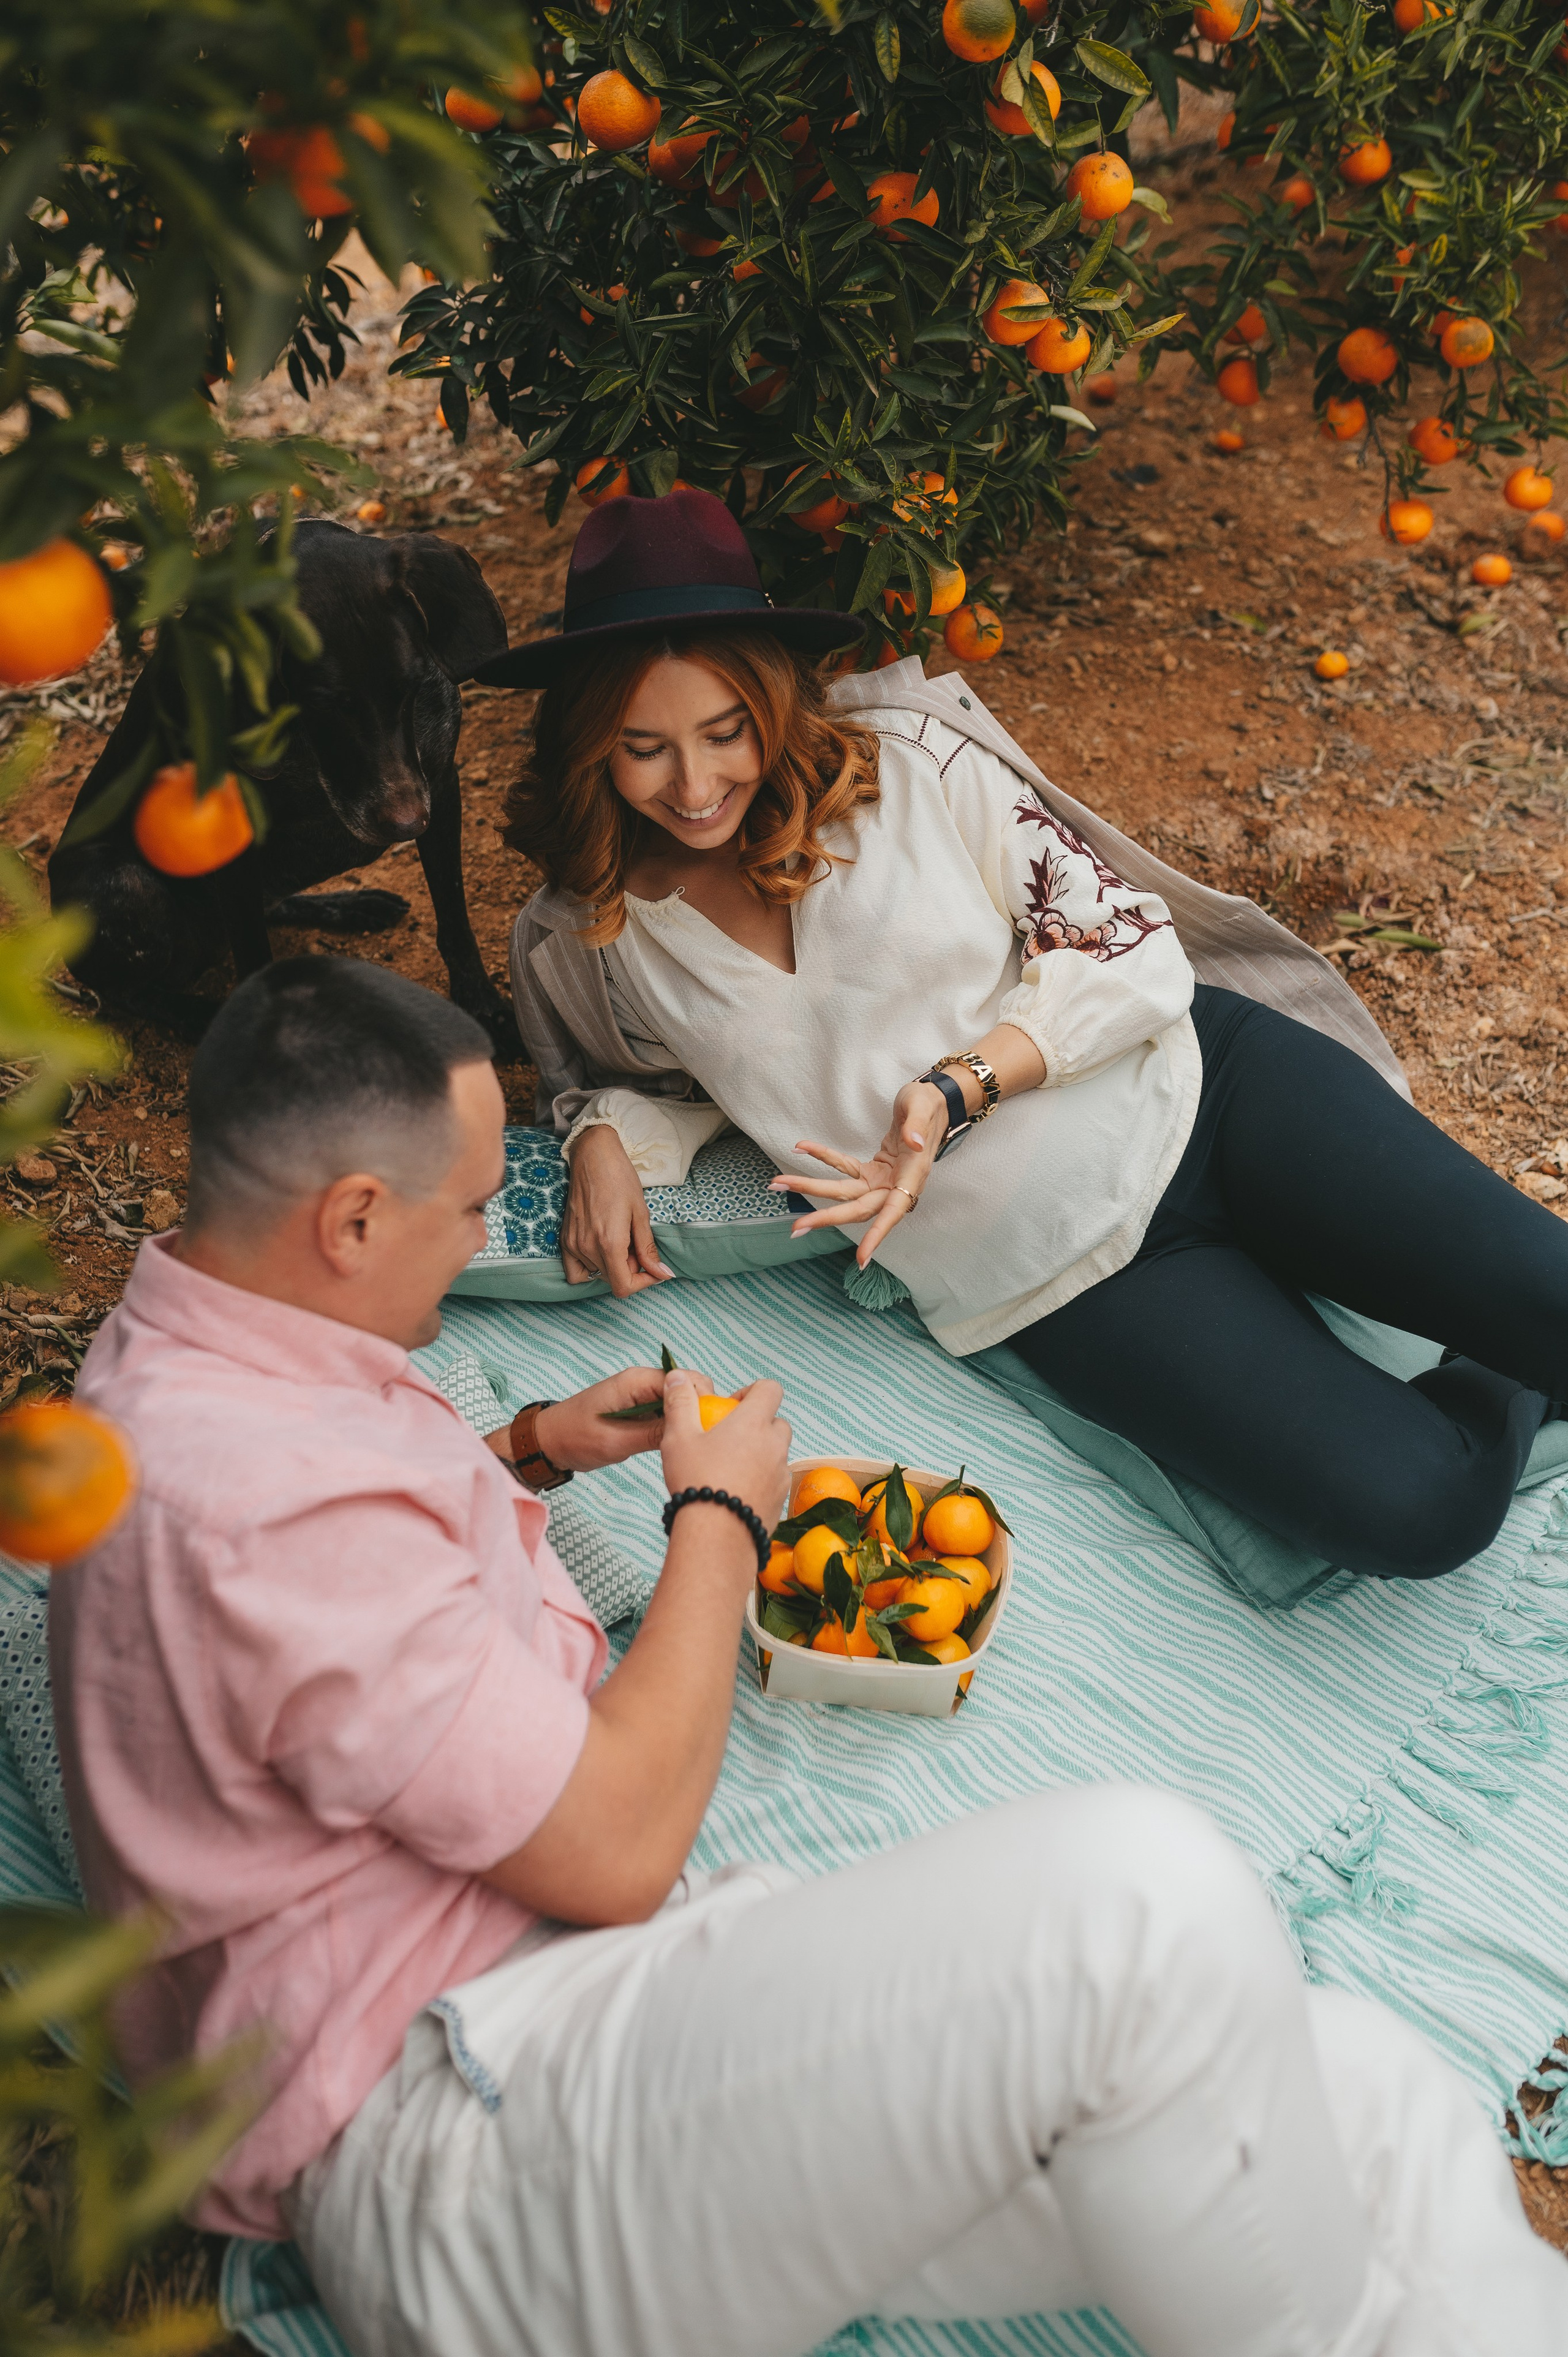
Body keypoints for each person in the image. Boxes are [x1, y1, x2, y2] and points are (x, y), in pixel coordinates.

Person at [48, 957, 1565, 2355]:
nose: (474, 1244)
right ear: (353, 1220)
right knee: (1142, 1905)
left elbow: (341, 1619)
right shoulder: (250, 1506)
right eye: (461, 1212)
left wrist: (522, 1450)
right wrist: (717, 1516)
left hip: (603, 2038)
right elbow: (619, 1843)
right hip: (472, 2139)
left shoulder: (216, 1348)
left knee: (1372, 2099)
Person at [489, 486, 1568, 1585]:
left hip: (1209, 1094)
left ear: (771, 703)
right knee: (1416, 1512)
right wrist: (601, 1135)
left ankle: (1516, 1330)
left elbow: (1128, 944)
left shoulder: (906, 767)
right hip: (1065, 1284)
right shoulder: (590, 932)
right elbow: (638, 1076)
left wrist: (957, 1086)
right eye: (645, 749)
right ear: (592, 747)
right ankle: (1502, 1374)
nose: (698, 783)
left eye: (727, 733)